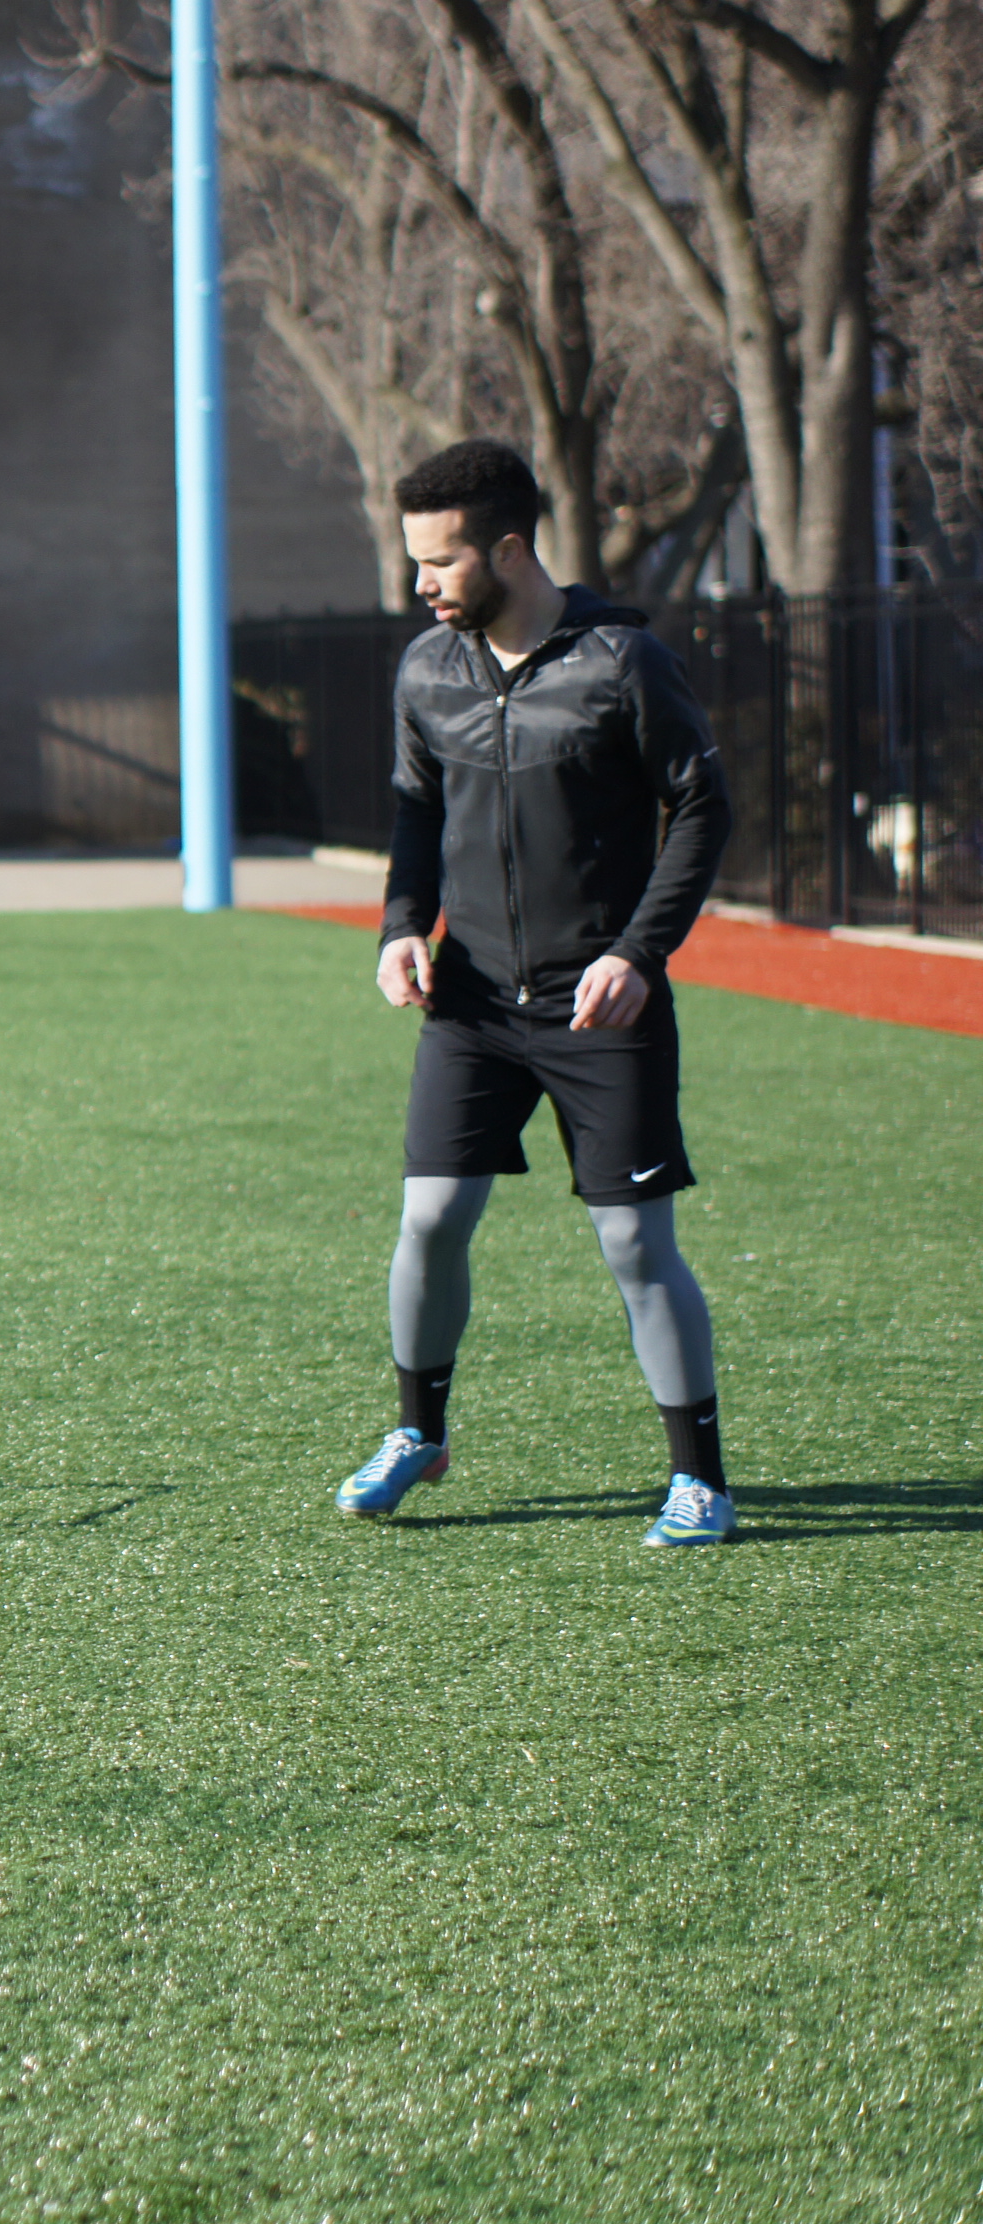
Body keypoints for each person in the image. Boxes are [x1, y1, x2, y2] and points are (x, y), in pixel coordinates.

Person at [340, 439, 739, 1546]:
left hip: (596, 1001)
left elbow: (701, 811)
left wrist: (637, 954)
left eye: (438, 561)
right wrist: (395, 932)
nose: (419, 583)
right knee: (428, 1219)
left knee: (631, 1243)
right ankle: (417, 1433)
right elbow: (413, 813)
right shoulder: (426, 669)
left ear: (507, 549)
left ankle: (698, 1476)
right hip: (468, 1002)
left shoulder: (620, 661)